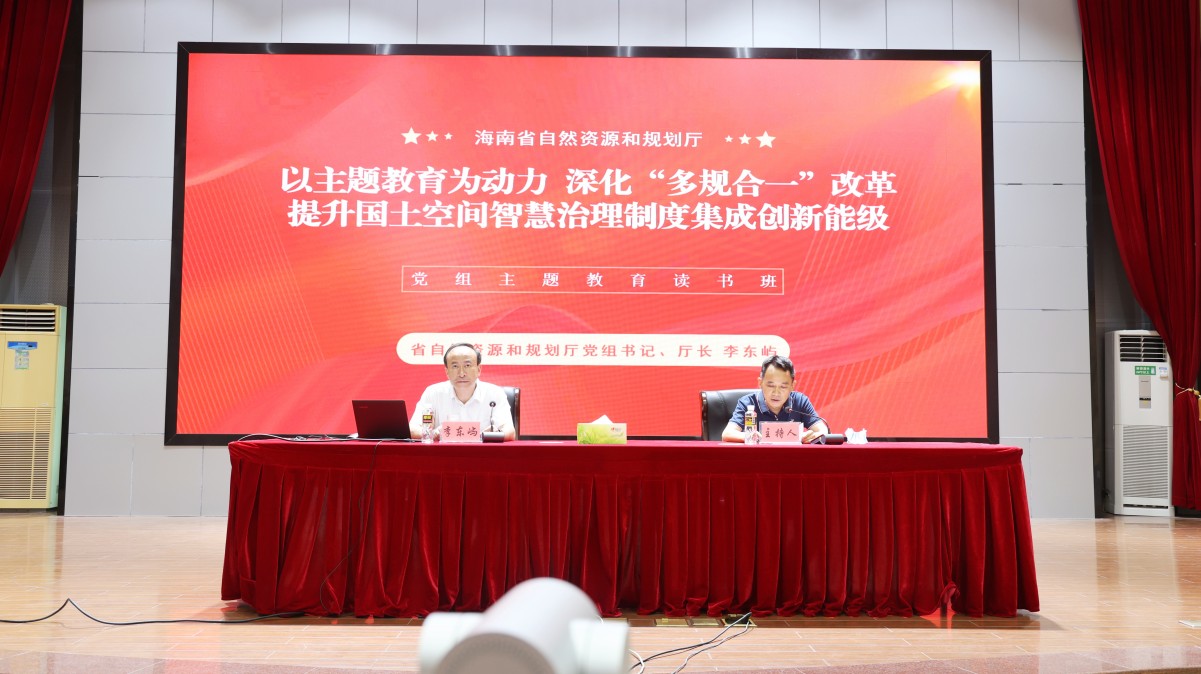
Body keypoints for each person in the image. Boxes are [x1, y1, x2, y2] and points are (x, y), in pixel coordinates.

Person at [409, 342, 516, 441]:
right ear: (447, 371)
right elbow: (412, 429)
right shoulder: (433, 393)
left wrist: (491, 435)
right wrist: (433, 434)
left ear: (479, 369)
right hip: (444, 453)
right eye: (455, 366)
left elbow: (510, 432)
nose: (461, 373)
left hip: (482, 453)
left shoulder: (495, 393)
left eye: (467, 365)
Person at [721, 354, 829, 443]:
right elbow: (727, 434)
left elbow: (823, 430)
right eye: (771, 385)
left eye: (783, 387)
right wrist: (750, 436)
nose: (776, 393)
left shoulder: (800, 401)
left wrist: (808, 436)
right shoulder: (748, 403)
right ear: (760, 383)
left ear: (792, 386)